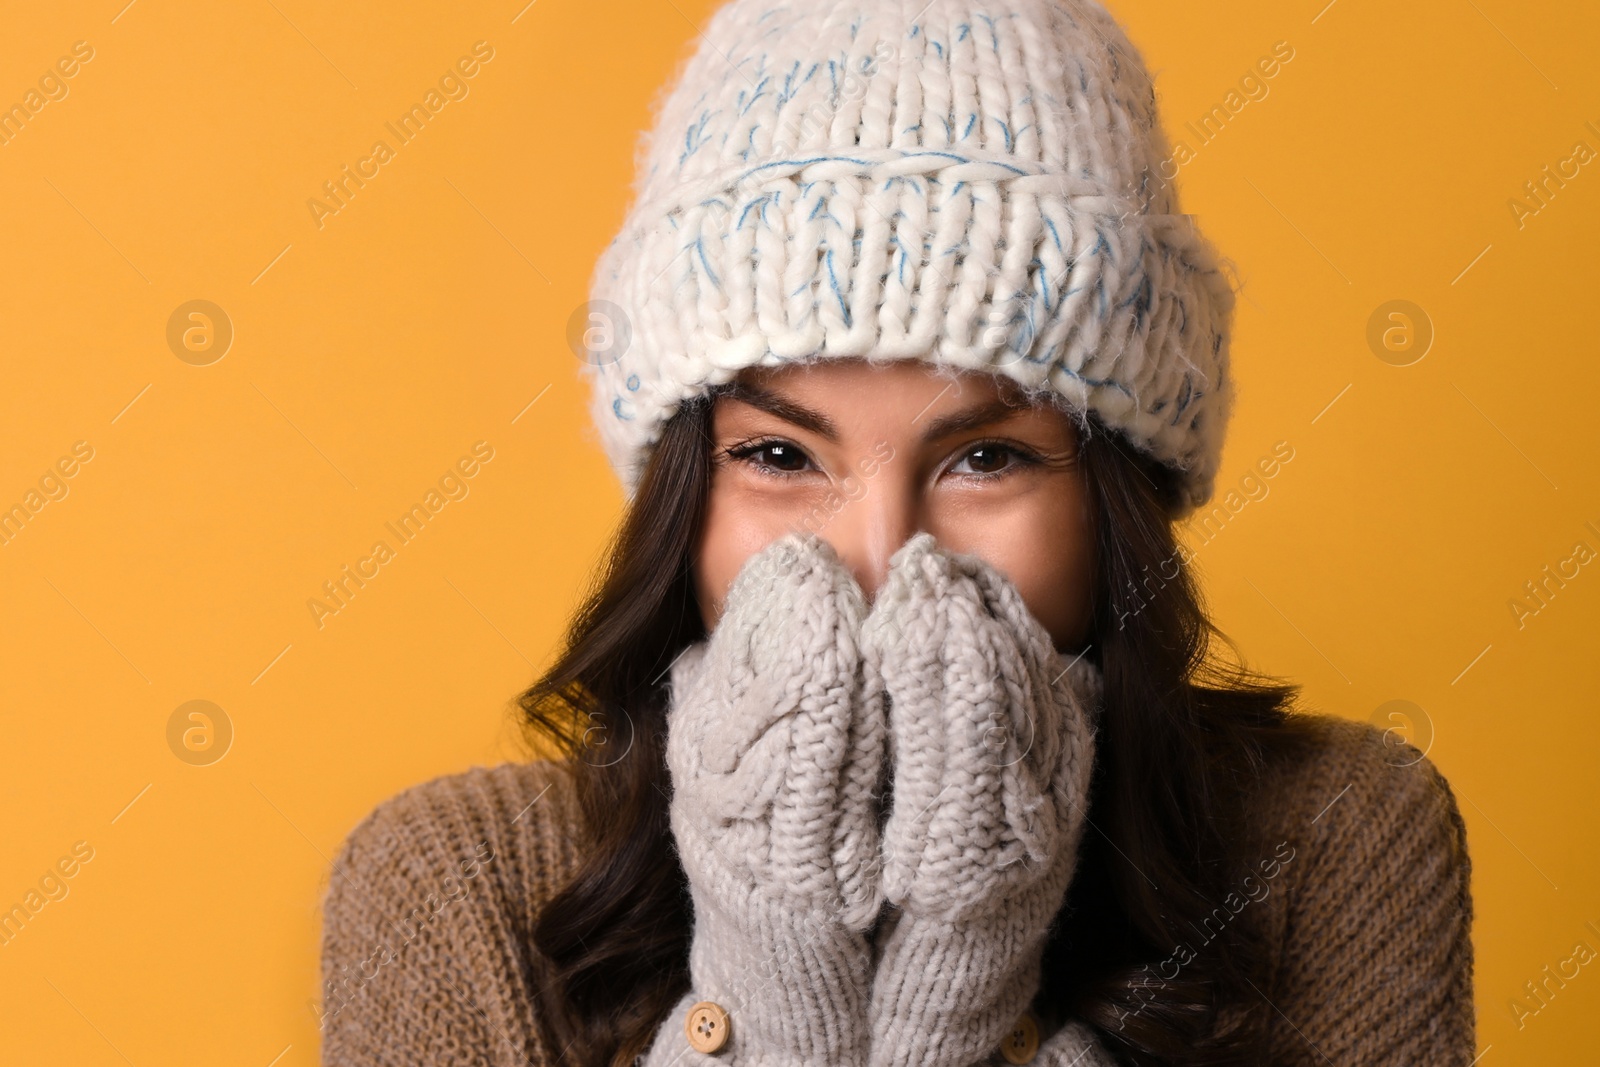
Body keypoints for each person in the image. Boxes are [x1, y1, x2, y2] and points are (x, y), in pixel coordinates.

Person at [317, 1, 1475, 1065]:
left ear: (1115, 502)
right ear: (682, 497)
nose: (879, 558)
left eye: (987, 457)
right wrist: (772, 991)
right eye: (779, 457)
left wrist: (958, 978)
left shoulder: (1330, 839)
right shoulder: (454, 881)